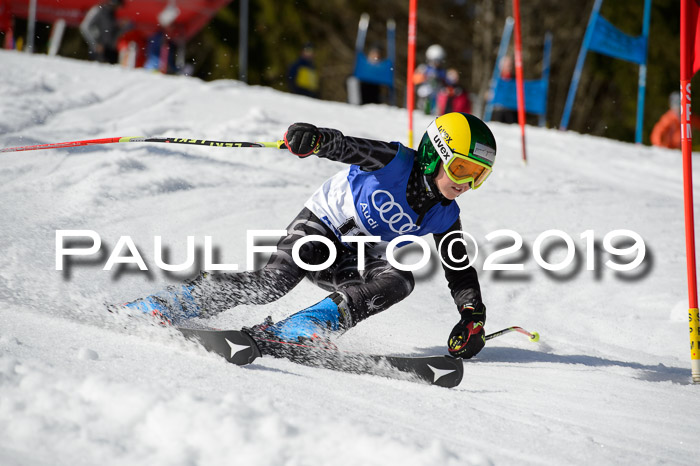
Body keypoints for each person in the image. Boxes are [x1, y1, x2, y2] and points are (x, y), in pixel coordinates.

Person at [120, 112, 497, 360]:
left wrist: (472, 316)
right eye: (461, 168)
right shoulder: (395, 161)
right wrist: (316, 139)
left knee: (399, 280)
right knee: (272, 284)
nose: (466, 183)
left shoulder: (446, 213)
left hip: (356, 256)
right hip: (321, 228)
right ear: (435, 154)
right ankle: (167, 303)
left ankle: (301, 328)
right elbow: (349, 147)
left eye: (478, 176)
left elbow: (458, 268)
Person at [413, 44, 448, 115]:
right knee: (425, 93)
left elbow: (446, 82)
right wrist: (425, 77)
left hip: (436, 95)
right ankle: (425, 109)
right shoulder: (424, 68)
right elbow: (415, 79)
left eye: (438, 61)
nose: (436, 63)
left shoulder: (442, 71)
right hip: (426, 93)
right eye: (435, 61)